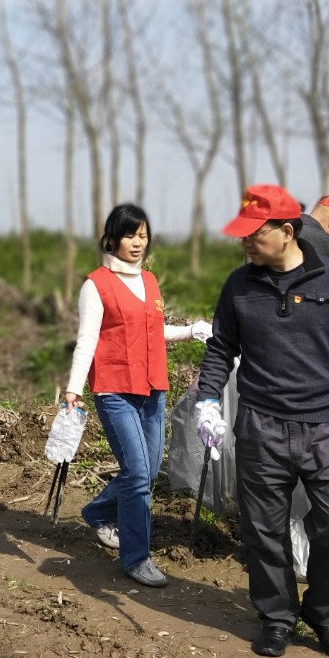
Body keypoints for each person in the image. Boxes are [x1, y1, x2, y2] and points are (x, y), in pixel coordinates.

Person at [194, 184, 329, 658]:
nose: (245, 243)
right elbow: (220, 348)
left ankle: (324, 613)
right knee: (263, 528)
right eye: (242, 236)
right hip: (260, 425)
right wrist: (207, 401)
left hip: (325, 427)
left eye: (254, 235)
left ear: (287, 231)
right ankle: (276, 617)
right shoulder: (239, 285)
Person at [61, 204, 210, 588]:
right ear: (112, 239)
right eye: (130, 236)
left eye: (143, 235)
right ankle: (136, 558)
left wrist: (192, 330)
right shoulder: (96, 285)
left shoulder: (150, 281)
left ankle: (97, 511)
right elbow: (88, 339)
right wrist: (73, 388)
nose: (137, 243)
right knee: (139, 474)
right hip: (114, 390)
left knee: (143, 470)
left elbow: (152, 332)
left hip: (152, 388)